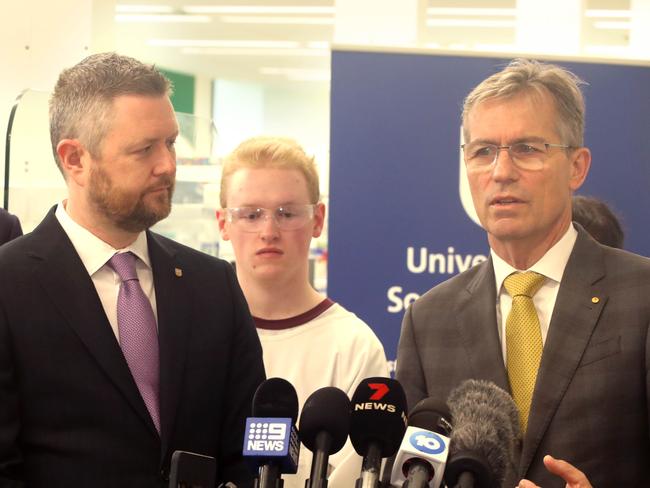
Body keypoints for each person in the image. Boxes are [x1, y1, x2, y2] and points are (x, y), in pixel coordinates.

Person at [0, 52, 265, 487]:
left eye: (171, 143)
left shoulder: (212, 284)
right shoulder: (10, 286)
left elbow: (247, 451)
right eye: (144, 149)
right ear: (76, 160)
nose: (167, 165)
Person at [395, 58, 650, 487]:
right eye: (483, 152)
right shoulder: (428, 319)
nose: (501, 172)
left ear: (577, 167)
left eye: (527, 149)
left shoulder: (641, 296)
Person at [217, 136, 389, 488]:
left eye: (287, 214)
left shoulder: (354, 345)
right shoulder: (193, 332)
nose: (269, 231)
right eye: (251, 214)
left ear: (318, 219)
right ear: (223, 223)